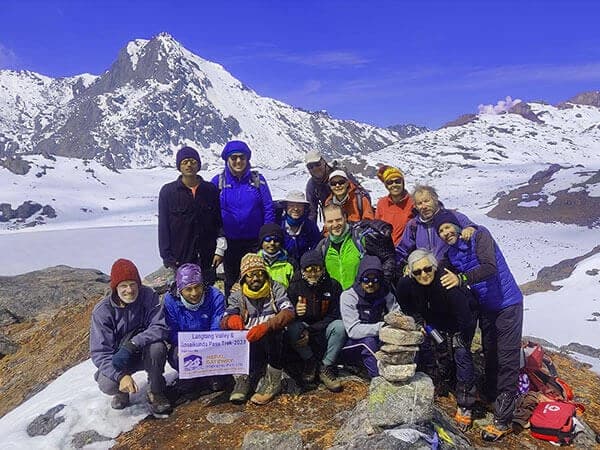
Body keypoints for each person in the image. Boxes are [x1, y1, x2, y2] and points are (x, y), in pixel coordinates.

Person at [434, 211, 524, 442]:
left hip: (508, 304)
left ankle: (503, 419)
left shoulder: (480, 235)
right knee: (490, 353)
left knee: (507, 358)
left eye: (447, 227)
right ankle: (494, 398)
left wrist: (462, 279)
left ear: (457, 226)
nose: (445, 233)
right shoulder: (451, 254)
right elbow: (436, 272)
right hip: (487, 308)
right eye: (440, 231)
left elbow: (489, 267)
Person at [396, 249, 478, 431]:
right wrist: (418, 321)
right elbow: (405, 303)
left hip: (461, 321)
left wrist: (462, 337)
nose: (423, 274)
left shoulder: (446, 284)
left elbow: (466, 316)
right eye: (417, 272)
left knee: (461, 354)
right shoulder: (406, 284)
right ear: (410, 272)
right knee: (437, 349)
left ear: (434, 267)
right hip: (435, 320)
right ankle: (443, 381)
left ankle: (465, 404)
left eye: (427, 269)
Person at [90, 259, 171, 415]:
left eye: (133, 284)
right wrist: (120, 376)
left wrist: (133, 343)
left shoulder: (149, 296)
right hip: (118, 359)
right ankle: (122, 392)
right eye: (123, 285)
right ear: (115, 288)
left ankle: (156, 390)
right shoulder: (102, 312)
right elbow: (100, 352)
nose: (130, 290)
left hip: (143, 352)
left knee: (158, 347)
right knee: (107, 384)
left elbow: (160, 327)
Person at [220, 253, 295, 405]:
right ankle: (244, 379)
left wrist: (267, 325)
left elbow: (288, 311)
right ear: (243, 278)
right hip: (250, 343)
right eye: (250, 275)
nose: (255, 278)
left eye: (260, 273)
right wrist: (231, 320)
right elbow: (226, 317)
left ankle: (273, 382)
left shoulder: (276, 288)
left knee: (275, 332)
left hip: (274, 342)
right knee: (233, 335)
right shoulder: (237, 295)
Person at [211, 140, 275, 296]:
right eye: (234, 158)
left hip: (255, 242)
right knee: (232, 280)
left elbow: (268, 208)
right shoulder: (218, 182)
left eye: (242, 157)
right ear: (227, 160)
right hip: (229, 243)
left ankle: (259, 313)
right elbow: (211, 213)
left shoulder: (257, 180)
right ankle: (233, 314)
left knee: (256, 278)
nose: (238, 161)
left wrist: (266, 237)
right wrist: (218, 239)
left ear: (247, 159)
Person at [158, 146, 225, 285]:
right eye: (185, 162)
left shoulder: (210, 190)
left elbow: (218, 221)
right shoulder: (168, 192)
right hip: (181, 257)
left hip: (208, 257)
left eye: (193, 161)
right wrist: (167, 256)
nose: (189, 165)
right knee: (185, 293)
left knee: (208, 293)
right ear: (179, 166)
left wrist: (220, 249)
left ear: (198, 165)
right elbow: (163, 227)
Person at [285, 250, 345, 392]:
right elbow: (286, 313)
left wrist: (310, 331)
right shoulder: (295, 286)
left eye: (317, 269)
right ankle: (309, 361)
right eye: (308, 270)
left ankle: (325, 366)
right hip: (302, 328)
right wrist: (296, 312)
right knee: (292, 327)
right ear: (302, 270)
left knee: (341, 326)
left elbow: (335, 314)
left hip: (323, 327)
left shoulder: (333, 286)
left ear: (323, 269)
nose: (313, 274)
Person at [164, 263, 226, 395]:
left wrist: (206, 345)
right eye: (188, 289)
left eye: (197, 287)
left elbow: (217, 326)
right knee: (175, 356)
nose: (194, 293)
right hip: (186, 345)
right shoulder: (170, 301)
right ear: (180, 290)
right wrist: (185, 345)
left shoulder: (215, 296)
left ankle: (212, 374)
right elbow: (172, 330)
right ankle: (190, 376)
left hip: (210, 344)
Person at [340, 256, 400, 378]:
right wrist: (382, 327)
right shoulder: (349, 296)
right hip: (352, 342)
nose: (370, 284)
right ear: (360, 279)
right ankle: (378, 379)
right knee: (368, 342)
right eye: (366, 279)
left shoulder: (386, 294)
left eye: (375, 280)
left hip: (379, 336)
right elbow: (352, 331)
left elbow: (397, 315)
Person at [395, 185, 476, 269]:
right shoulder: (413, 225)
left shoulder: (451, 216)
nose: (424, 206)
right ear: (415, 206)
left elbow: (472, 227)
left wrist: (469, 229)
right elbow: (402, 250)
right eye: (419, 203)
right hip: (426, 272)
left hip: (451, 269)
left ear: (435, 200)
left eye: (426, 201)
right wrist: (405, 267)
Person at [320, 204, 396, 289]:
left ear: (345, 218)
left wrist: (380, 285)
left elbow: (388, 259)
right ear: (325, 222)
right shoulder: (323, 246)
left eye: (338, 220)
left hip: (363, 299)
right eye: (330, 221)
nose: (335, 224)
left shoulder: (361, 238)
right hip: (337, 300)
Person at [304, 150, 369, 222]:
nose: (315, 168)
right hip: (333, 223)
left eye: (317, 164)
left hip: (354, 219)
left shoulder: (340, 174)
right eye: (310, 166)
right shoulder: (312, 185)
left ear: (324, 162)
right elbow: (311, 212)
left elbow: (363, 195)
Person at [375, 165, 414, 246]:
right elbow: (376, 227)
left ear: (403, 183)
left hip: (406, 249)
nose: (394, 185)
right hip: (385, 248)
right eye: (390, 182)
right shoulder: (382, 203)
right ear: (386, 186)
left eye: (397, 181)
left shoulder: (413, 202)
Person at [279, 190, 321, 261]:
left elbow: (316, 248)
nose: (296, 209)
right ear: (286, 207)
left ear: (304, 208)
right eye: (292, 205)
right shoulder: (278, 225)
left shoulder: (311, 226)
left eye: (299, 205)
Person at [257, 223, 297, 288]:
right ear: (261, 242)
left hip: (283, 297)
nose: (272, 243)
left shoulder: (290, 263)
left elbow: (295, 288)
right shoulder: (252, 261)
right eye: (268, 239)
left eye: (276, 240)